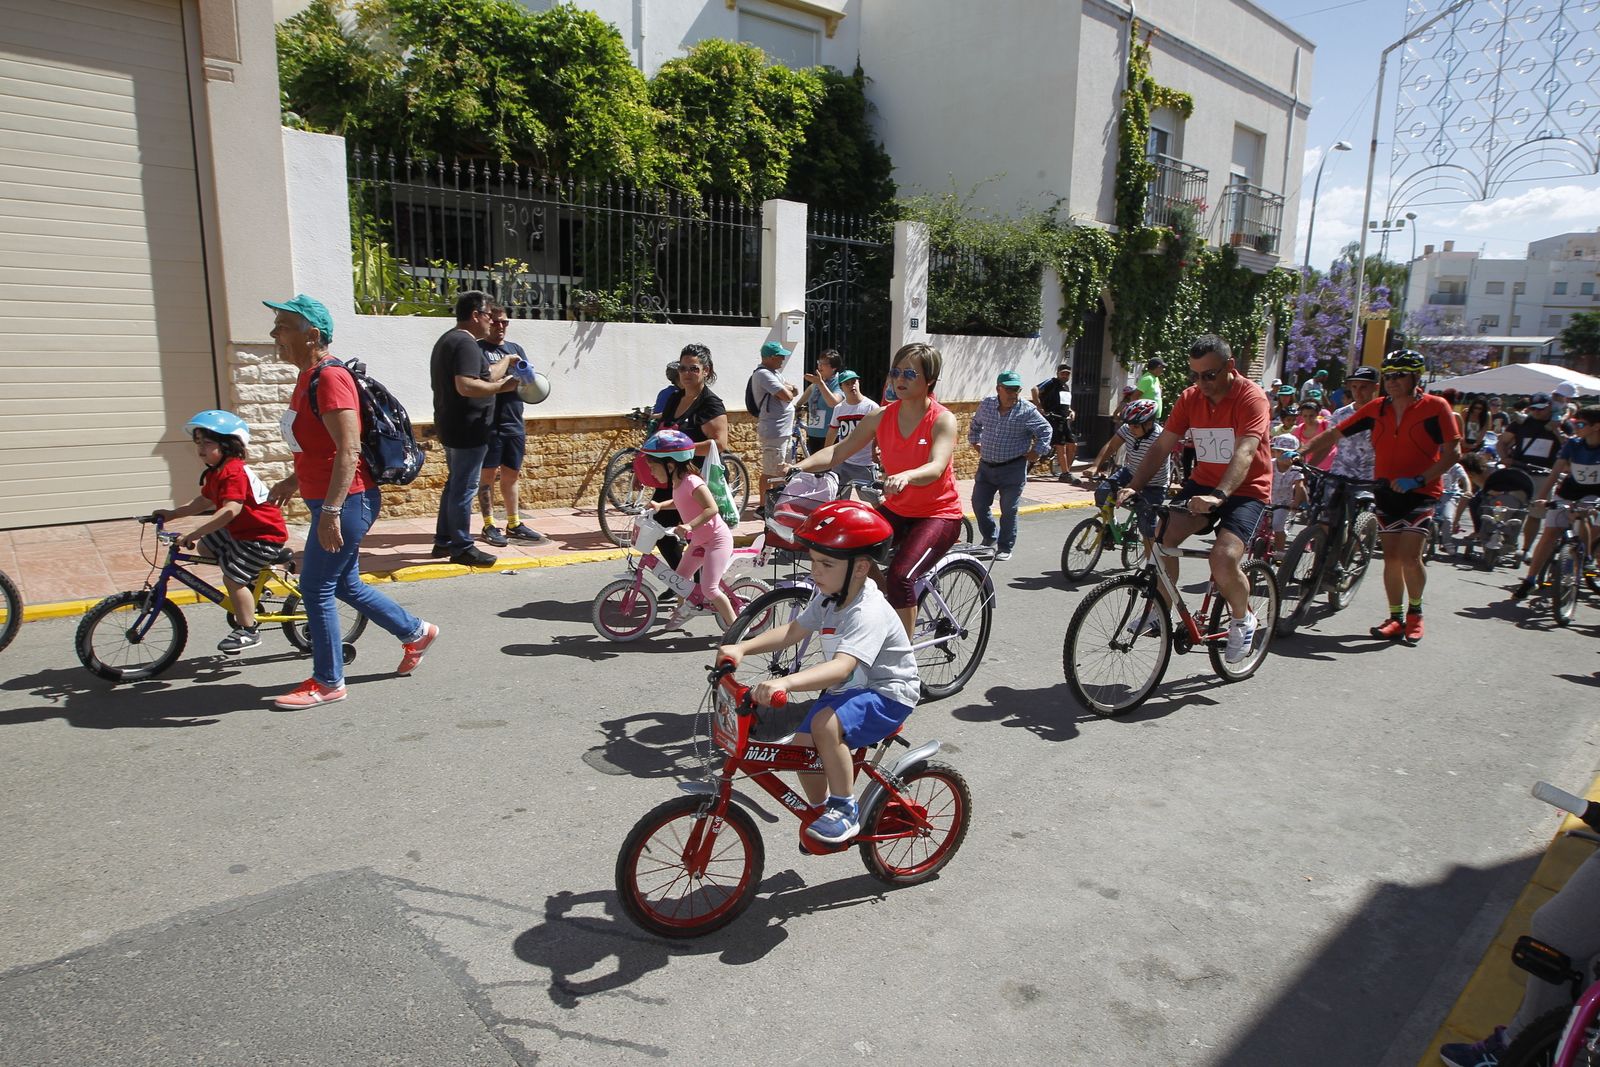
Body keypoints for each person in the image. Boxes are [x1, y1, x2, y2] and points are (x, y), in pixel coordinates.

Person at [263, 294, 439, 709]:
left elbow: (349, 450)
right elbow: (320, 448)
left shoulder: (330, 378)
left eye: (283, 326)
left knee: (316, 586)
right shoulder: (307, 377)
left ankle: (328, 681)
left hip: (348, 501)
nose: (274, 334)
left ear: (312, 335)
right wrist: (293, 479)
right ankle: (415, 632)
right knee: (344, 582)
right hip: (328, 498)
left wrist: (331, 511)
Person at [718, 500, 919, 844]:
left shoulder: (866, 610)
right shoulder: (829, 597)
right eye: (813, 562)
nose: (816, 571)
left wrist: (785, 681)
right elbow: (794, 631)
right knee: (801, 751)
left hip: (888, 692)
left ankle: (845, 809)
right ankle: (820, 809)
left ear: (859, 569)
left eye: (826, 564)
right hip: (850, 691)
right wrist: (741, 647)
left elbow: (842, 666)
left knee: (825, 724)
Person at [789, 342, 963, 638]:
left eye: (910, 374)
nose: (900, 379)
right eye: (896, 372)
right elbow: (836, 452)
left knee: (902, 577)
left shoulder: (942, 419)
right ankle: (889, 604)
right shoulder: (881, 416)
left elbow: (936, 466)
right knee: (852, 551)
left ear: (929, 380)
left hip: (939, 514)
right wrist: (798, 467)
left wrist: (907, 475)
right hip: (897, 507)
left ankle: (902, 666)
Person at [1119, 334, 1273, 664]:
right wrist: (1135, 485)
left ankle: (1242, 618)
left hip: (1246, 489)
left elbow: (1245, 451)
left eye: (1209, 375)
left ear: (1230, 367)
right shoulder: (1190, 398)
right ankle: (1160, 610)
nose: (1201, 383)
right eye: (1195, 375)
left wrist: (1220, 495)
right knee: (1160, 537)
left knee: (1223, 558)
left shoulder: (1252, 398)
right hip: (1203, 485)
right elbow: (1162, 446)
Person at [1302, 349, 1462, 646]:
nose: (1392, 380)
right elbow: (1335, 434)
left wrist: (1419, 479)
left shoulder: (1435, 406)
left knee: (1410, 558)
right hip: (1386, 488)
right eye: (1388, 375)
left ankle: (1415, 614)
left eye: (1399, 375)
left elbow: (1453, 453)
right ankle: (1395, 617)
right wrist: (1299, 452)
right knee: (1391, 558)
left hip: (1421, 492)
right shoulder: (1377, 408)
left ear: (1416, 377)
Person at [154, 410, 289, 654]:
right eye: (198, 443)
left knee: (232, 578)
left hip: (261, 536)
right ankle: (253, 580)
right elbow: (203, 502)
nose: (201, 449)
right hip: (241, 531)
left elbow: (230, 511)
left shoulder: (233, 471)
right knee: (206, 547)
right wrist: (172, 514)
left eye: (208, 443)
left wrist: (193, 532)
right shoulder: (217, 472)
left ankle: (248, 631)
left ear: (228, 445)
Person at [429, 290, 521, 567]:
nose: (491, 322)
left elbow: (482, 374)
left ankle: (443, 541)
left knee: (454, 484)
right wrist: (501, 387)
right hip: (468, 430)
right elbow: (466, 385)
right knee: (463, 488)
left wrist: (506, 362)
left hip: (452, 426)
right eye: (487, 315)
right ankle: (462, 547)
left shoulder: (450, 340)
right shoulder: (466, 344)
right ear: (475, 315)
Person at [637, 429, 738, 628]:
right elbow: (681, 501)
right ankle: (683, 612)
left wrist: (689, 525)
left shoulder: (692, 481)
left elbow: (712, 508)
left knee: (710, 589)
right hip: (700, 541)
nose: (651, 472)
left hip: (717, 540)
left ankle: (736, 628)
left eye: (653, 467)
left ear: (670, 464)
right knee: (679, 581)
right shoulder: (678, 482)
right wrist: (660, 506)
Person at [653, 344, 730, 575]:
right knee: (658, 528)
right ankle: (683, 581)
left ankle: (693, 585)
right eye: (683, 368)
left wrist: (681, 449)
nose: (686, 373)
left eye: (693, 368)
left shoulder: (711, 403)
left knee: (693, 535)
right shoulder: (675, 399)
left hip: (697, 479)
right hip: (673, 477)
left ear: (706, 370)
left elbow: (720, 443)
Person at [1509, 406, 1600, 601]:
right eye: (1574, 423)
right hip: (1570, 490)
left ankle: (1589, 559)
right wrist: (1542, 498)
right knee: (1550, 532)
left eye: (1581, 424)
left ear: (1596, 427)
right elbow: (1556, 472)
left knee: (1586, 516)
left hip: (1595, 493)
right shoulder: (1573, 444)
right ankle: (1530, 579)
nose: (1575, 427)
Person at [475, 305, 544, 548]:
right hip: (489, 424)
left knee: (512, 474)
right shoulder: (478, 349)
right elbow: (485, 380)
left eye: (505, 322)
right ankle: (489, 524)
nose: (501, 326)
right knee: (487, 476)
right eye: (496, 322)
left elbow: (529, 383)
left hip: (514, 421)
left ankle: (513, 523)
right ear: (487, 322)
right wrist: (507, 371)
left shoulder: (516, 349)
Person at [968, 370, 1053, 561]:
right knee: (979, 503)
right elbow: (975, 425)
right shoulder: (987, 405)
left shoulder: (1026, 410)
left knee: (1009, 509)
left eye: (1017, 389)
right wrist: (975, 442)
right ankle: (990, 537)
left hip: (1012, 468)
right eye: (1009, 389)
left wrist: (1037, 452)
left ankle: (1005, 546)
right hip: (986, 466)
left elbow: (1046, 429)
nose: (1013, 393)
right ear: (999, 388)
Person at [1088, 398, 1167, 548]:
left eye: (1136, 426)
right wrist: (1095, 466)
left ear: (1149, 424)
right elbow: (1111, 446)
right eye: (1129, 425)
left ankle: (1153, 567)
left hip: (1154, 483)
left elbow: (1153, 468)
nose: (1131, 429)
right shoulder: (1128, 429)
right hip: (1130, 471)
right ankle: (1113, 527)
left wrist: (1132, 487)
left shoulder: (1160, 438)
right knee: (1102, 492)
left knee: (1146, 528)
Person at [749, 340, 799, 494]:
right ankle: (763, 507)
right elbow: (788, 395)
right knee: (770, 471)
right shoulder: (763, 374)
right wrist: (787, 391)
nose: (783, 360)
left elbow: (794, 390)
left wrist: (788, 390)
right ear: (770, 357)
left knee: (781, 471)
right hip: (774, 431)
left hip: (782, 432)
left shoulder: (775, 373)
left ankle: (775, 503)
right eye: (780, 357)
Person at [825, 370, 879, 493]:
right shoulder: (839, 409)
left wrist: (876, 449)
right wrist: (827, 457)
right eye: (847, 384)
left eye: (854, 382)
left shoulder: (871, 407)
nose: (852, 386)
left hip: (865, 463)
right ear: (841, 387)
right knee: (838, 496)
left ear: (858, 382)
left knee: (871, 498)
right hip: (843, 462)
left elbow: (880, 432)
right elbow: (832, 432)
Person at [1031, 362, 1078, 484]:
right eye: (1063, 373)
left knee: (1073, 446)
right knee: (1060, 447)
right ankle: (1065, 473)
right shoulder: (1051, 382)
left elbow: (1065, 404)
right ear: (1058, 374)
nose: (1065, 376)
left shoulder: (1066, 387)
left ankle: (1066, 470)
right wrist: (1039, 406)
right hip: (1053, 419)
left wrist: (1071, 411)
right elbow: (1034, 389)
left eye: (1067, 374)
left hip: (1064, 420)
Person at [800, 349, 844, 457]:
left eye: (824, 364)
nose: (820, 366)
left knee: (828, 470)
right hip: (813, 433)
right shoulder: (818, 382)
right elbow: (809, 392)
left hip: (830, 436)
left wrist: (820, 383)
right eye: (819, 362)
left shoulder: (839, 383)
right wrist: (796, 406)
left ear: (833, 368)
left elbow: (833, 402)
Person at [1268, 434, 1307, 554]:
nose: (1282, 456)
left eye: (1286, 453)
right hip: (1267, 500)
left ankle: (1280, 552)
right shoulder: (1270, 464)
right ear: (1274, 452)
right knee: (1258, 526)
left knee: (1278, 525)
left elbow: (1299, 486)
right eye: (1279, 452)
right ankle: (1258, 547)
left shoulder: (1296, 469)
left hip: (1283, 502)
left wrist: (1295, 503)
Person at [1291, 397, 1335, 471]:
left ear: (1317, 414)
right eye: (1305, 416)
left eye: (1311, 416)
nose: (1308, 419)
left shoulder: (1326, 425)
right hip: (1312, 466)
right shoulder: (1299, 430)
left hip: (1331, 464)